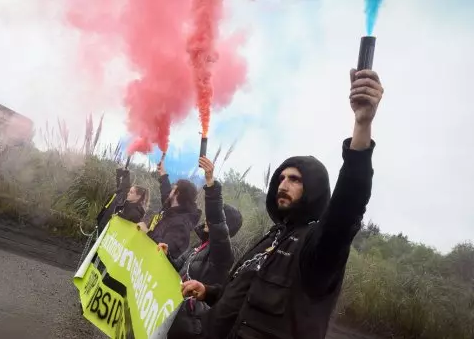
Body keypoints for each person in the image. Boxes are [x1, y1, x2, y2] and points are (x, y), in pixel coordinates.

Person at [181, 68, 384, 339]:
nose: (283, 184)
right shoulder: (272, 238)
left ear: (314, 189)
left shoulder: (315, 248)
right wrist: (209, 291)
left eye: (295, 179)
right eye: (281, 178)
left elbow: (346, 209)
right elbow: (243, 290)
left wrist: (362, 126)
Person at [158, 156, 243, 339]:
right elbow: (179, 269)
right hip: (172, 311)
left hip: (189, 324)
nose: (207, 219)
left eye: (212, 218)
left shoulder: (222, 255)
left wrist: (211, 184)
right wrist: (167, 256)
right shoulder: (200, 245)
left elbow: (218, 227)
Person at [138, 159, 201, 259]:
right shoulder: (170, 208)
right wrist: (163, 174)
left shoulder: (181, 225)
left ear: (177, 193)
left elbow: (164, 250)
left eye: (173, 189)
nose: (170, 191)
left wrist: (146, 232)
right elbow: (165, 193)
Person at [96, 167, 149, 233]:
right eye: (129, 191)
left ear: (138, 196)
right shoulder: (124, 202)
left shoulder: (136, 214)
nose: (128, 193)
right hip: (103, 228)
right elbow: (123, 187)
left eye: (131, 192)